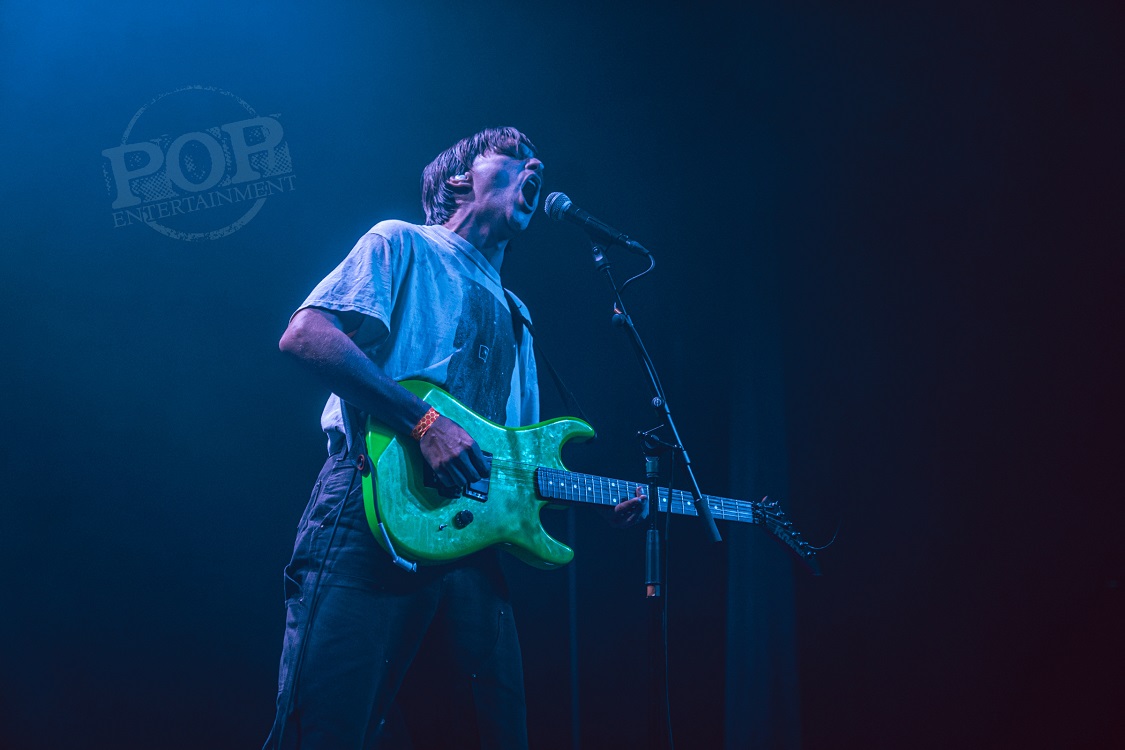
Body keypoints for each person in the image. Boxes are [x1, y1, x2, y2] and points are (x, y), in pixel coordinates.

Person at [264, 126, 642, 749]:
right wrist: (424, 422)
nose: (534, 167)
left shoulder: (519, 314)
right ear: (460, 180)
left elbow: (512, 460)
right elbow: (306, 335)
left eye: (536, 161)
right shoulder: (402, 242)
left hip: (469, 545)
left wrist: (584, 498)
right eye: (514, 157)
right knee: (324, 729)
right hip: (368, 512)